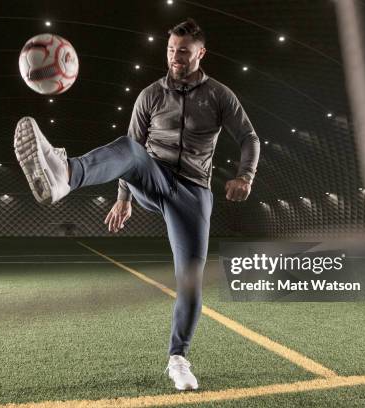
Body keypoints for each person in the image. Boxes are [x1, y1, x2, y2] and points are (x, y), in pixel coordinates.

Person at [14, 18, 260, 391]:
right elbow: (130, 151)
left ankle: (178, 359)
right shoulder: (150, 95)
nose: (175, 57)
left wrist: (246, 176)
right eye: (171, 49)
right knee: (130, 147)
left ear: (201, 53)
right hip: (153, 178)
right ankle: (66, 174)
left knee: (190, 281)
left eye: (183, 51)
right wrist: (123, 199)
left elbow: (250, 138)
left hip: (193, 194)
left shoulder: (220, 96)